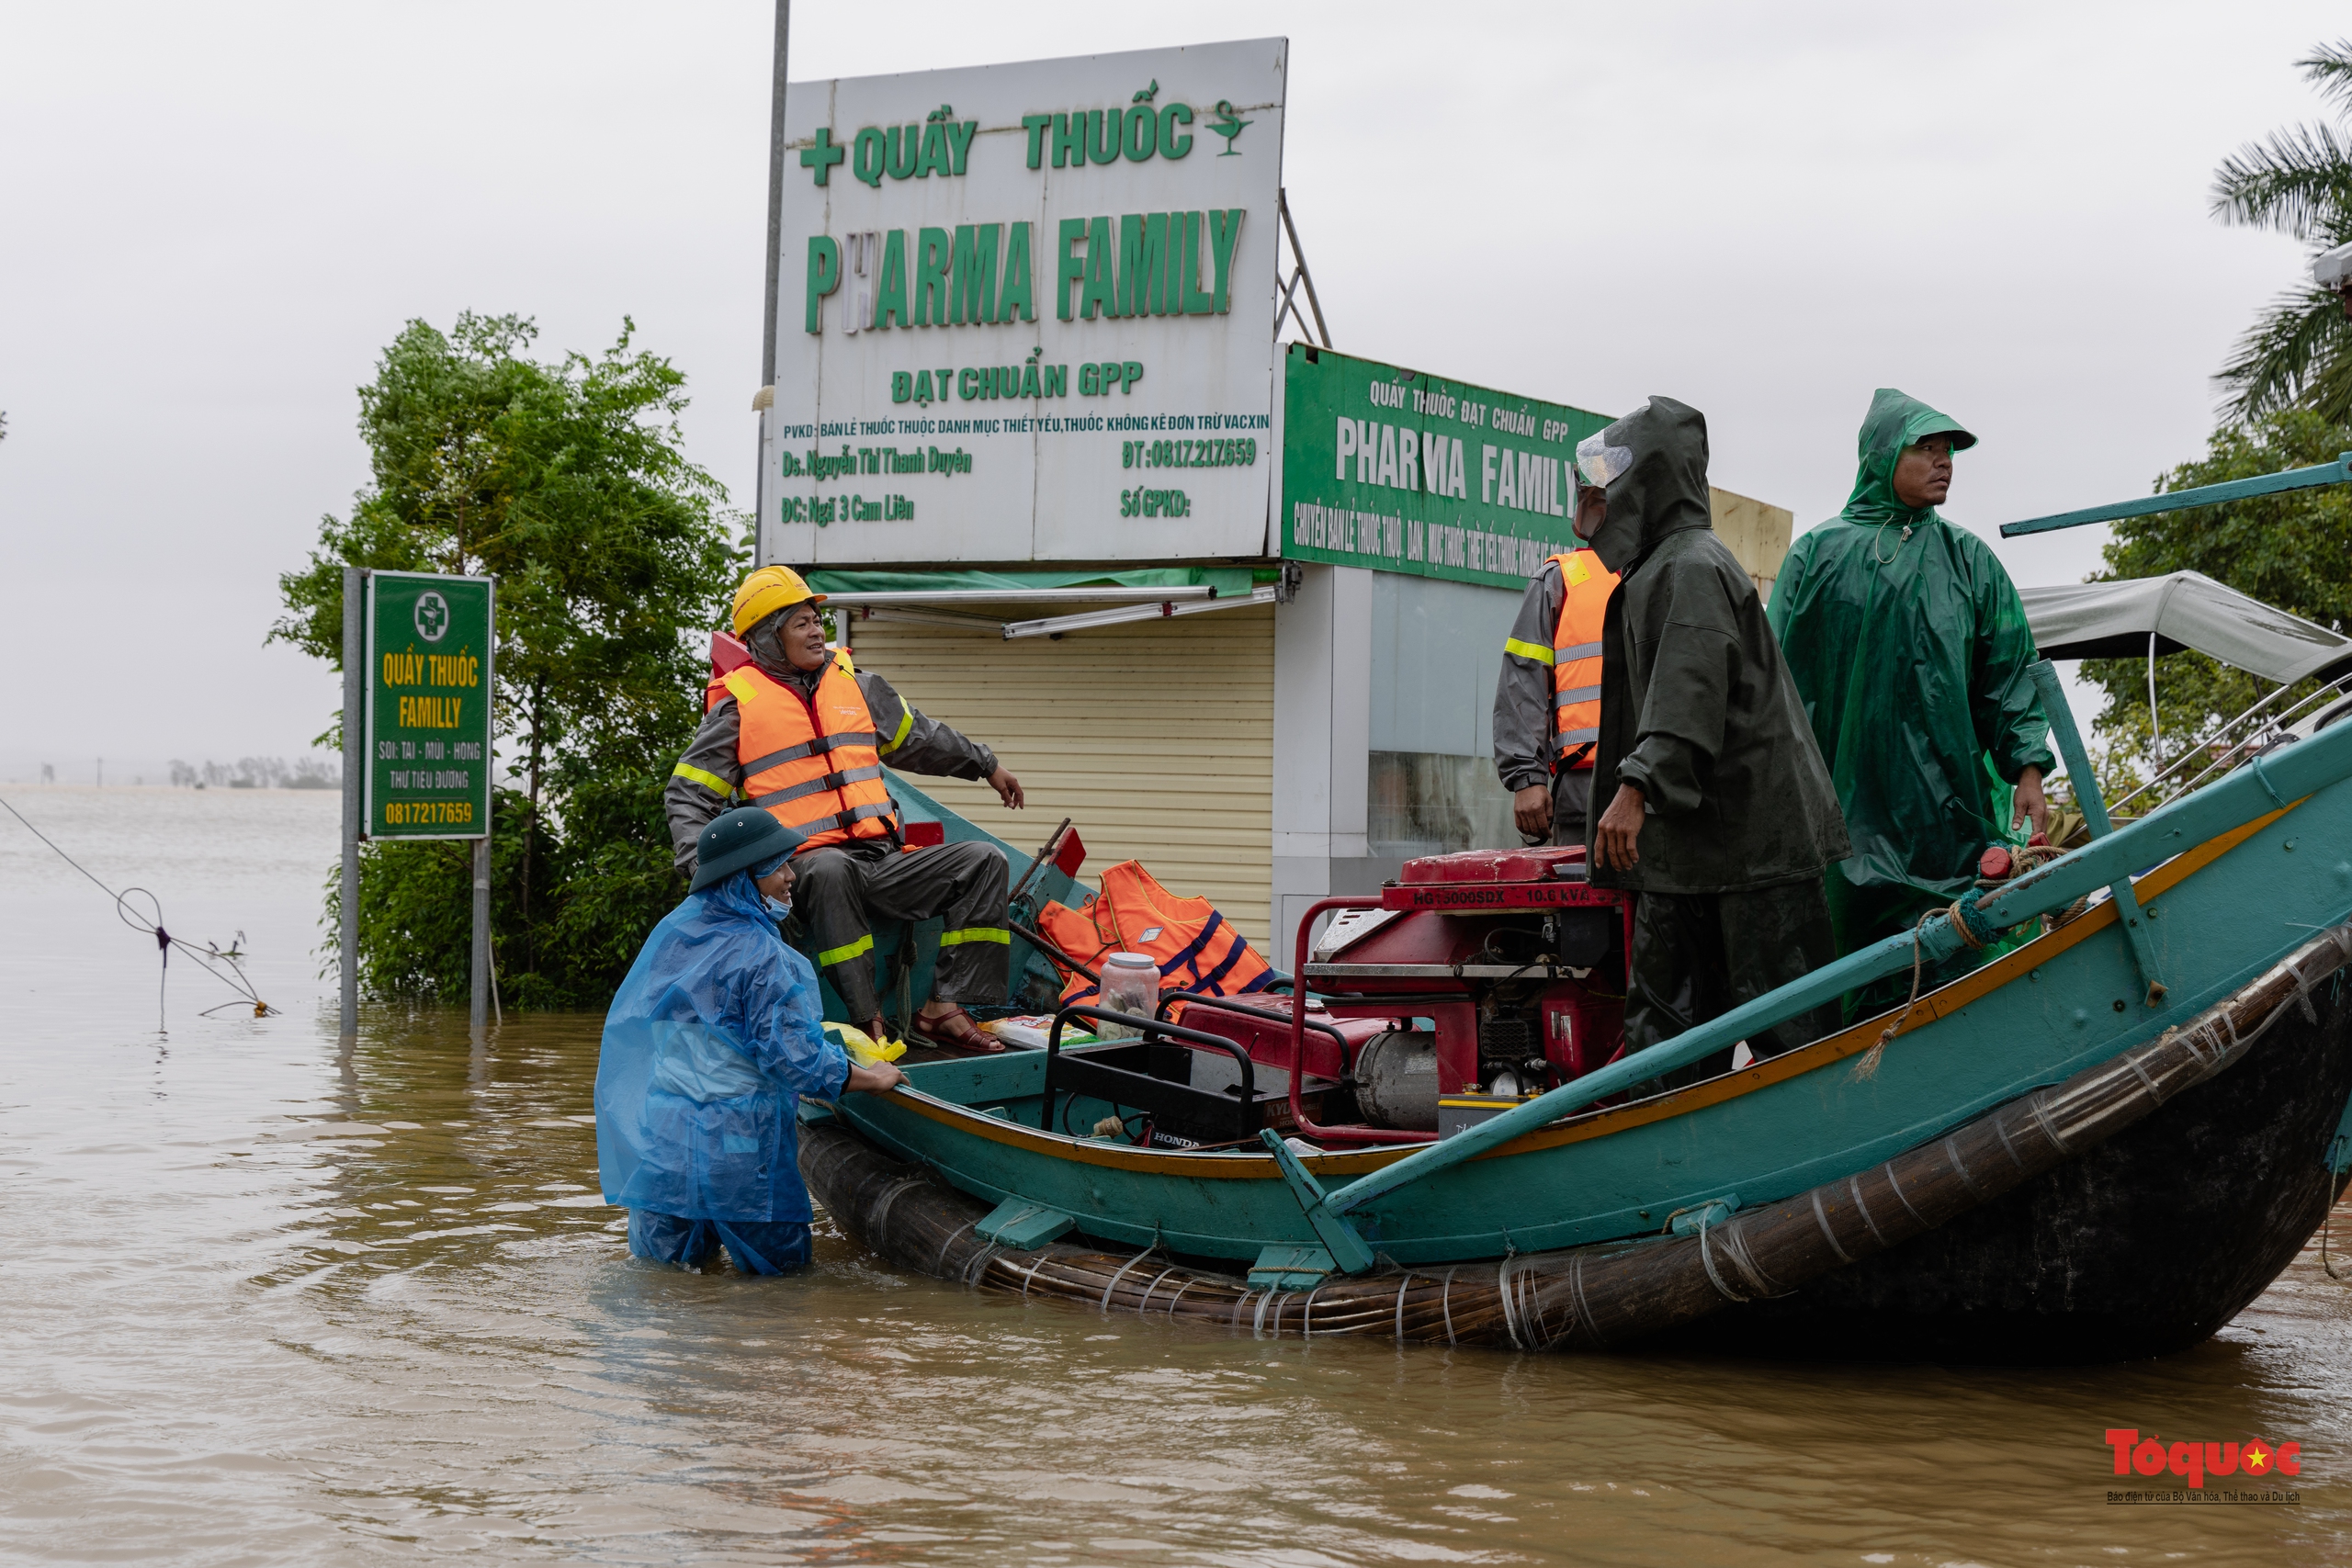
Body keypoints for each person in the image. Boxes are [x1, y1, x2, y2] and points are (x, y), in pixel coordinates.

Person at [1579, 397, 1852, 1084]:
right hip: (1695, 850)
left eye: (1612, 477)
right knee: (1668, 1033)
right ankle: (1659, 1161)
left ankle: (1819, 1160)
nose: (1597, 497)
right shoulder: (1663, 566)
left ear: (1649, 481)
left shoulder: (1692, 565)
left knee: (1790, 1031)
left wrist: (1637, 784)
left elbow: (1689, 687)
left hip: (1751, 853)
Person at [1768, 389, 2052, 1014]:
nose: (1943, 460)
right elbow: (1770, 688)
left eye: (1948, 449)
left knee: (1951, 973)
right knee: (1836, 979)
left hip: (1944, 824)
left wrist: (2028, 766)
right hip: (1834, 826)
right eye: (1926, 446)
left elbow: (2008, 676)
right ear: (1881, 453)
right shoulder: (1814, 557)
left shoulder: (1970, 563)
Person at [667, 566, 1025, 1054]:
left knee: (984, 860)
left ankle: (943, 1008)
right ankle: (867, 1025)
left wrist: (985, 764)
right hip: (808, 871)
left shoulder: (855, 683)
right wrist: (701, 867)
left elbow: (921, 737)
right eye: (801, 623)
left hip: (883, 860)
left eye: (817, 620)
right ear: (769, 638)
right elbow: (688, 795)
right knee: (831, 868)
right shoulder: (738, 706)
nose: (817, 630)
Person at [597, 807, 908, 1274]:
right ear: (745, 878)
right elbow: (794, 1061)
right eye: (777, 866)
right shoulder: (761, 955)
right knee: (778, 1297)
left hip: (666, 1147)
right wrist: (871, 1078)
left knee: (662, 1291)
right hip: (738, 1152)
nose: (790, 877)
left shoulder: (671, 933)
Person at [1494, 544, 1621, 843]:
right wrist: (1527, 778)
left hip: (1661, 792)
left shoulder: (1672, 571)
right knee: (1581, 890)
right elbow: (1523, 681)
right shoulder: (1559, 578)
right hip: (1584, 793)